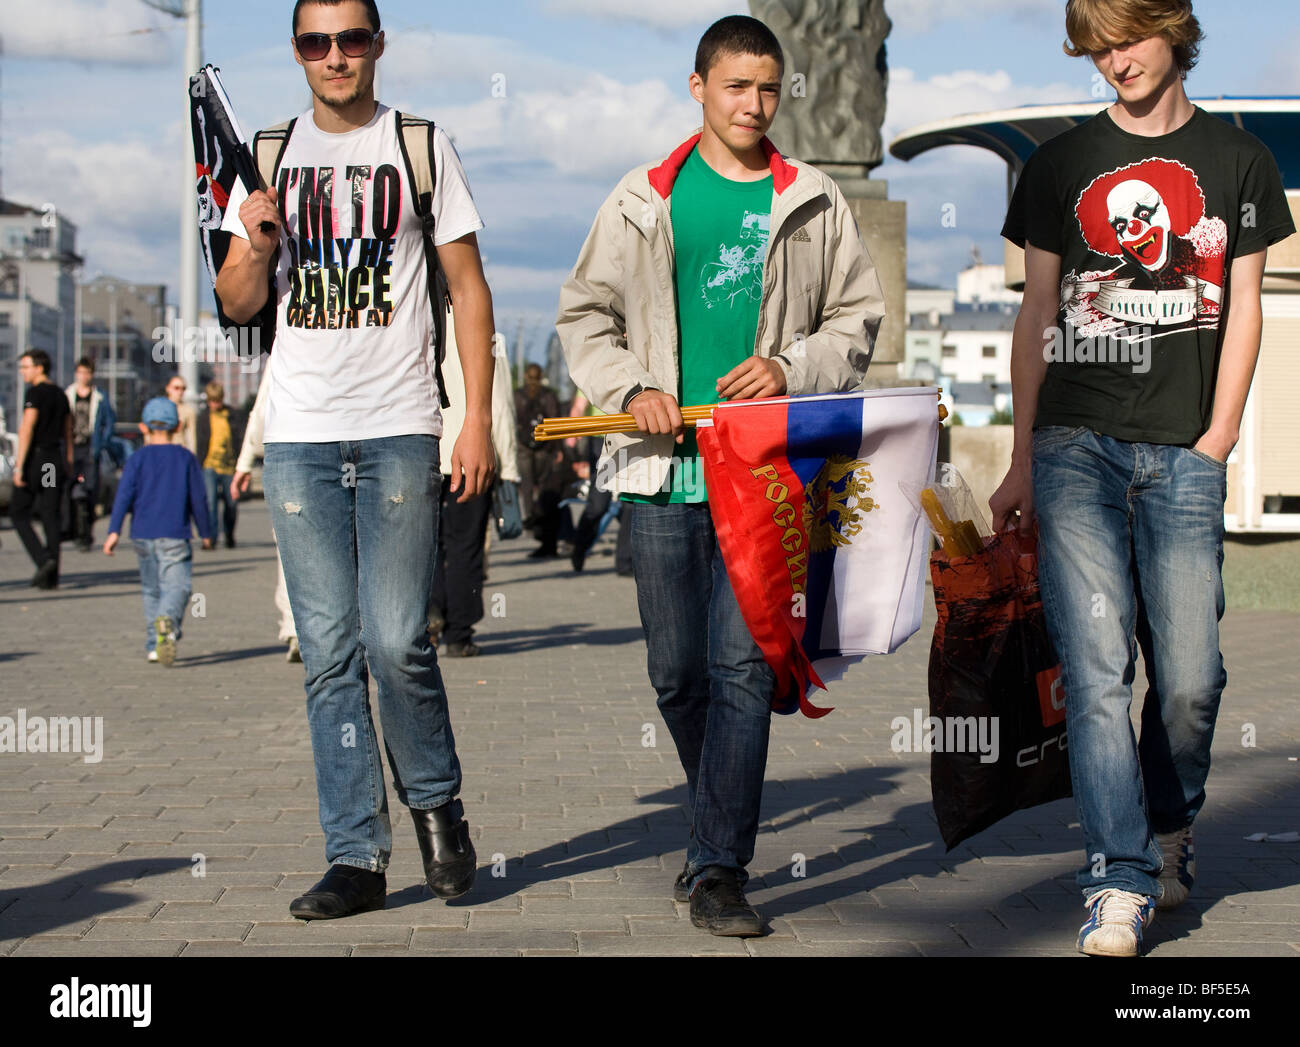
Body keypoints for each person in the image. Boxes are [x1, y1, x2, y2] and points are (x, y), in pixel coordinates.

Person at [556, 15, 884, 937]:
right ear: (697, 87)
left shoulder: (812, 198)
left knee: (745, 668)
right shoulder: (640, 198)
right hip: (661, 470)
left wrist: (789, 365)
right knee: (677, 672)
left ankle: (719, 867)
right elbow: (583, 317)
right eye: (736, 86)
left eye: (768, 88)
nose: (754, 104)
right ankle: (715, 825)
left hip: (765, 471)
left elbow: (858, 317)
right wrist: (634, 386)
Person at [990, 0, 1294, 957]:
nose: (1117, 60)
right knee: (1094, 672)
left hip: (1184, 453)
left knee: (1192, 680)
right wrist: (1019, 455)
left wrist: (1217, 437)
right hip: (1075, 445)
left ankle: (1170, 823)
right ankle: (1117, 876)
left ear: (1176, 32)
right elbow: (1040, 308)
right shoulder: (1058, 165)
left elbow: (1243, 308)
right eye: (1100, 45)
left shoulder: (1239, 164)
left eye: (1131, 38)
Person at [214, 0, 496, 920]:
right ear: (297, 52)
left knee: (396, 640)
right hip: (298, 433)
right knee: (328, 652)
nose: (334, 56)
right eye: (315, 41)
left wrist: (477, 420)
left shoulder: (421, 146)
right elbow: (236, 298)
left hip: (400, 424)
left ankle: (438, 808)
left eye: (351, 38)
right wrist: (254, 241)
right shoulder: (262, 155)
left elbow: (467, 288)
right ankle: (355, 856)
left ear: (378, 45)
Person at [427, 304, 521, 657]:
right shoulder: (487, 333)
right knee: (465, 547)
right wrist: (509, 468)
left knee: (426, 544)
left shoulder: (417, 319)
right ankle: (460, 633)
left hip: (423, 448)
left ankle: (428, 615)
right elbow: (500, 406)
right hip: (471, 456)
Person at [103, 397, 214, 665]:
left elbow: (123, 496)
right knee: (178, 586)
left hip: (142, 534)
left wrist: (113, 531)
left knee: (151, 590)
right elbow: (198, 498)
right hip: (175, 533)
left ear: (144, 428)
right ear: (177, 428)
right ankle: (168, 623)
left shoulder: (136, 459)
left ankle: (154, 645)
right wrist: (207, 531)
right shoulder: (185, 458)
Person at [231, 359, 301, 663]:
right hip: (339, 458)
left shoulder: (284, 343)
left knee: (289, 550)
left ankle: (295, 629)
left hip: (286, 454)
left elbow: (259, 411)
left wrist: (245, 463)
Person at [10, 350, 72, 589]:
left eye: (25, 367)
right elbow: (68, 431)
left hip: (37, 459)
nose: (22, 372)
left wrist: (19, 467)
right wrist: (66, 461)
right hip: (52, 461)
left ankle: (43, 559)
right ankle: (51, 577)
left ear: (39, 367)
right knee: (50, 514)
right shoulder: (60, 394)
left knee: (18, 512)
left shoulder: (35, 393)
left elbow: (27, 428)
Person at [513, 362, 566, 558]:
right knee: (545, 490)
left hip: (524, 447)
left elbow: (514, 421)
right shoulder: (548, 395)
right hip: (546, 448)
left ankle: (529, 518)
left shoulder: (518, 395)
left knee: (526, 487)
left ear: (526, 375)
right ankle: (542, 526)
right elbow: (557, 423)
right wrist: (558, 450)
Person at [65, 357, 117, 552]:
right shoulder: (68, 394)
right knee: (71, 490)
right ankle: (75, 530)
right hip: (72, 448)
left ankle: (86, 534)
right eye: (80, 372)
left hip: (90, 449)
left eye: (87, 372)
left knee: (89, 491)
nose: (83, 376)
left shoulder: (100, 397)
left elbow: (110, 423)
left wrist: (102, 443)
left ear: (91, 374)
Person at [195, 380, 245, 549]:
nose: (214, 404)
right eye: (211, 400)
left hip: (230, 466)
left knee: (231, 503)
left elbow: (240, 439)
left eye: (217, 400)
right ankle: (211, 538)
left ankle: (229, 535)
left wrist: (242, 464)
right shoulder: (203, 417)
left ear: (222, 398)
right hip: (209, 465)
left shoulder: (233, 415)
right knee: (211, 502)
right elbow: (200, 444)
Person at [165, 375, 198, 455]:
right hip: (162, 453)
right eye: (176, 388)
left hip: (180, 454)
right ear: (168, 389)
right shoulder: (159, 408)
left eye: (183, 388)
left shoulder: (189, 411)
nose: (180, 392)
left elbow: (192, 437)